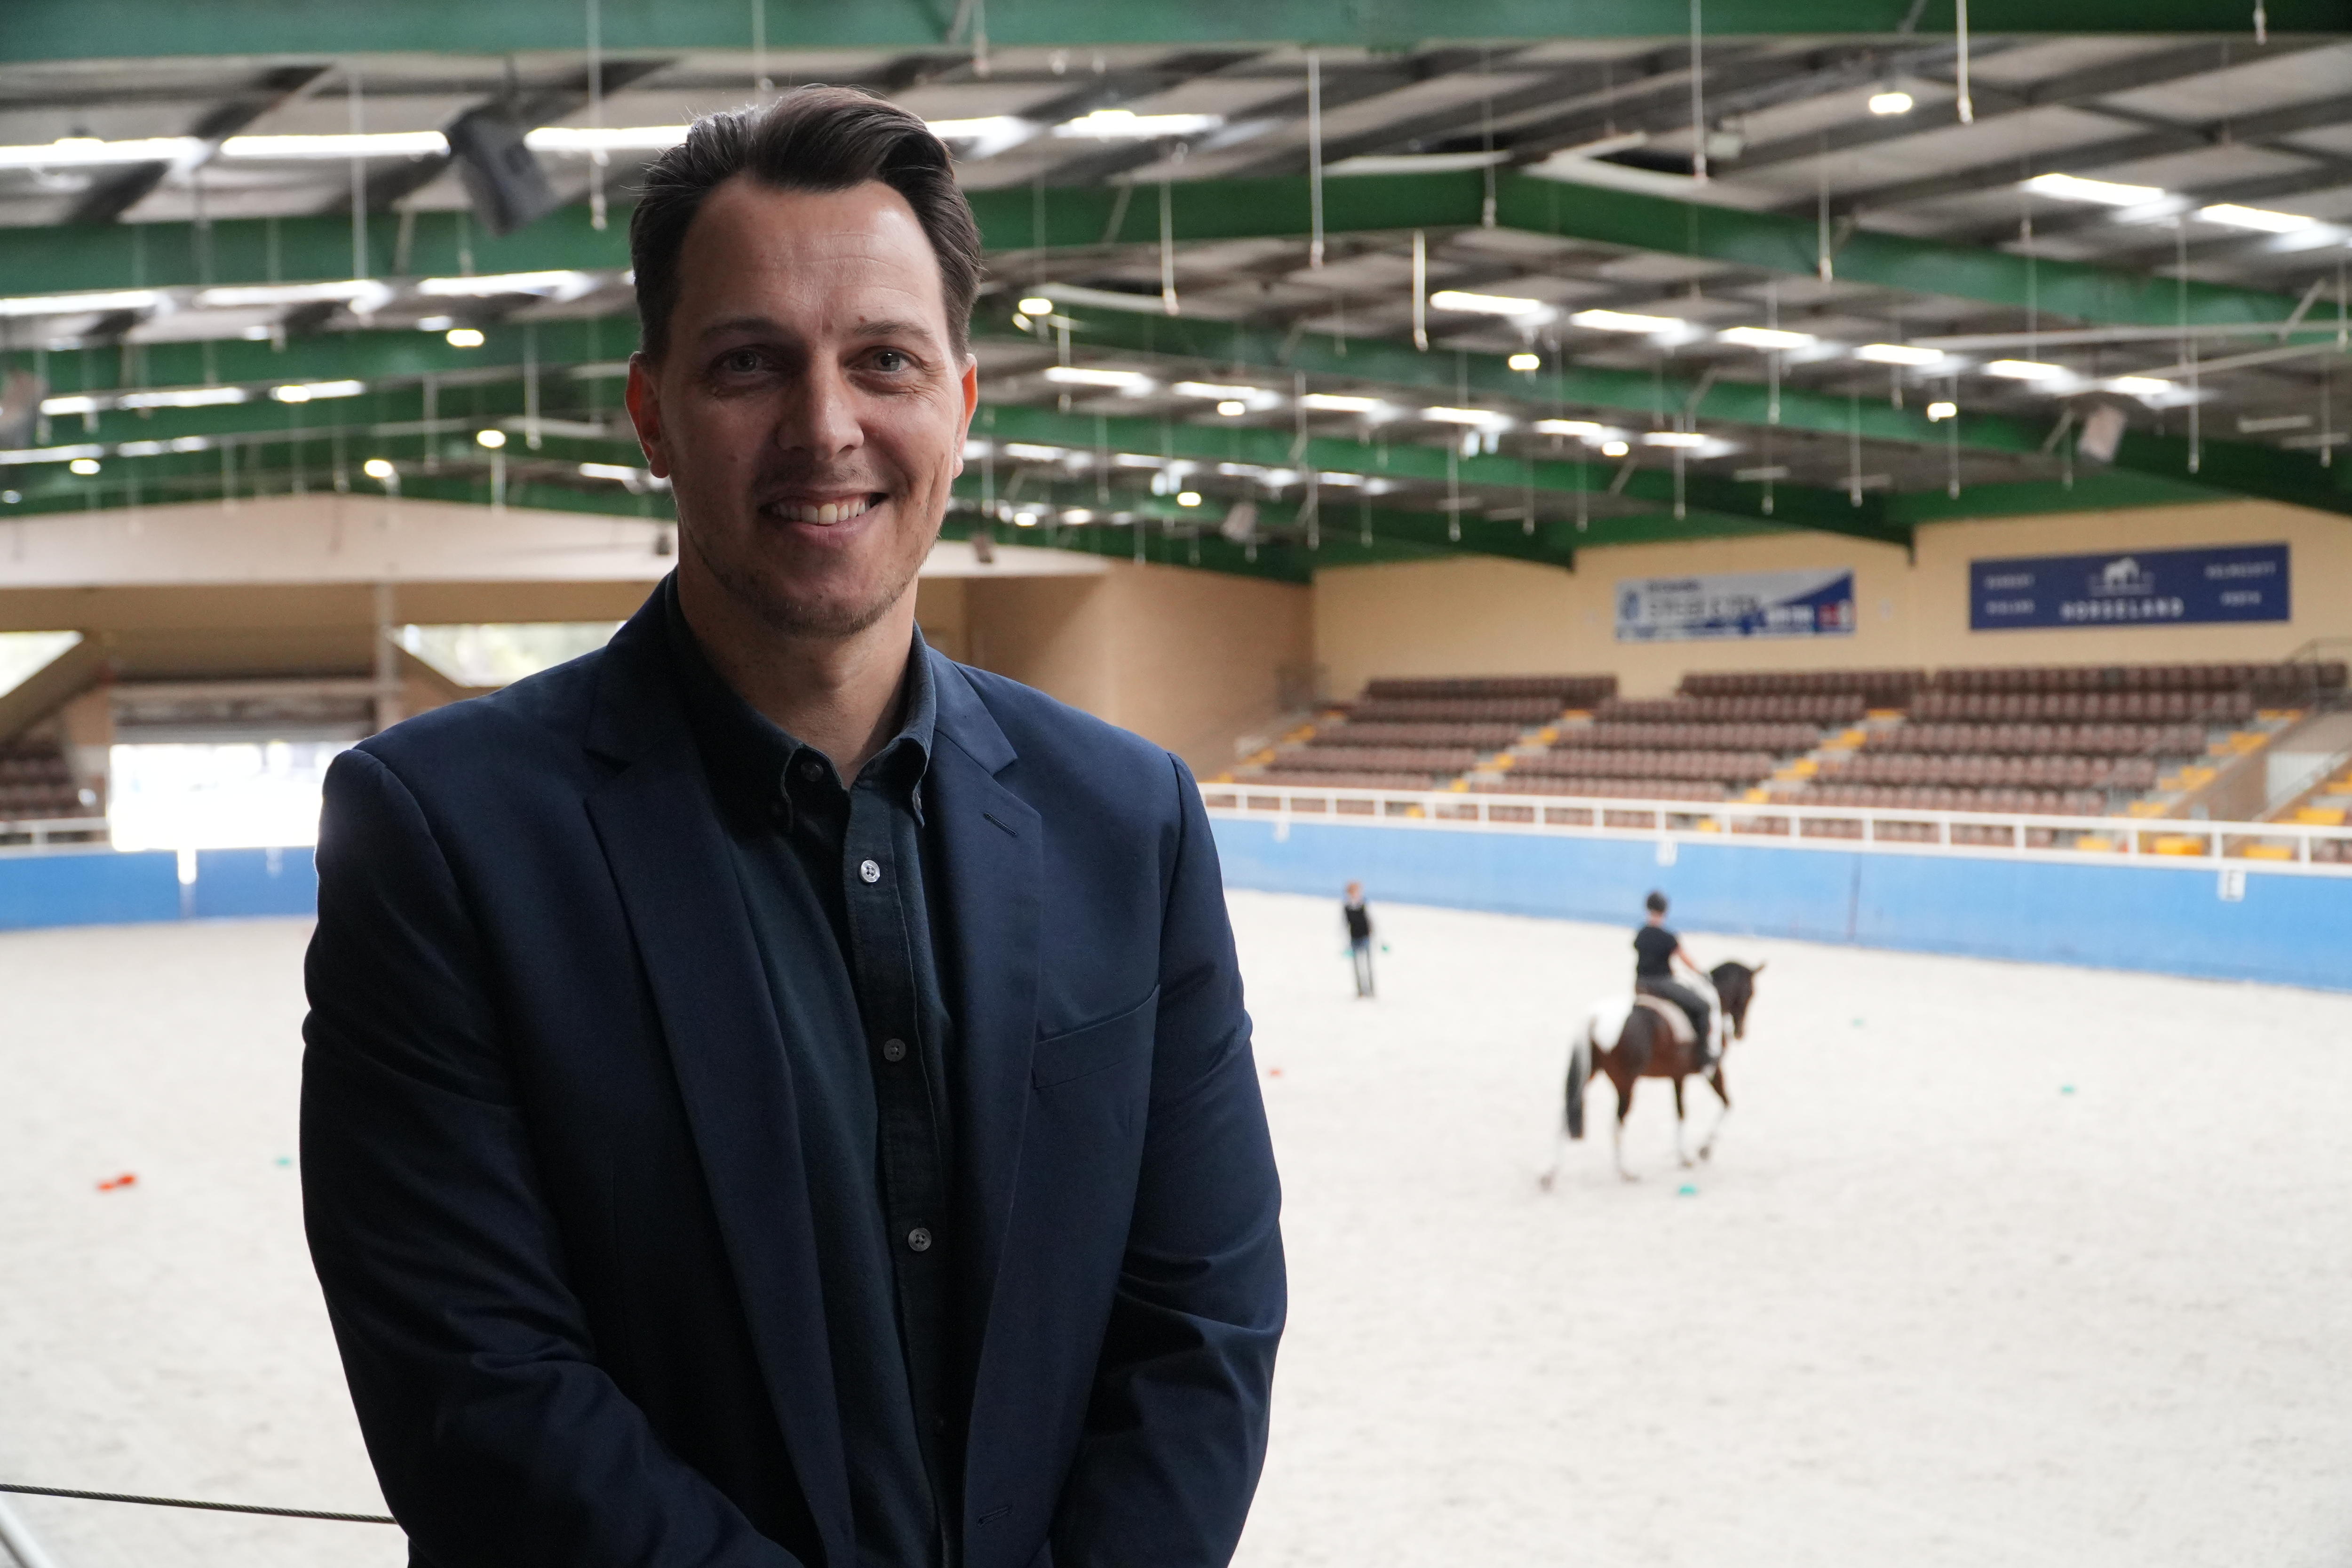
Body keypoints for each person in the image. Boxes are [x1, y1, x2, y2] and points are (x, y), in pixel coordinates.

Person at [300, 87, 1284, 1568]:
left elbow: (1199, 1328)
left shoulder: (1126, 820)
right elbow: (481, 1398)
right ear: (652, 414)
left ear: (959, 404)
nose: (824, 429)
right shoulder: (440, 837)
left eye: (882, 361)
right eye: (749, 364)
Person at [1633, 890, 1713, 1068]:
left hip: (1640, 984)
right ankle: (1704, 1054)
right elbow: (1686, 960)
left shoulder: (1641, 934)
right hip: (1661, 984)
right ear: (1665, 912)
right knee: (1703, 1007)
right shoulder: (1668, 938)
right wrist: (1702, 973)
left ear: (1648, 909)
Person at [1342, 880, 1374, 998]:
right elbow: (1345, 924)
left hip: (1365, 937)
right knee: (1357, 967)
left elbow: (1371, 921)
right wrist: (1345, 942)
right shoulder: (1347, 906)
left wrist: (1375, 935)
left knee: (1368, 966)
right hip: (1354, 938)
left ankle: (1371, 990)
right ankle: (1360, 991)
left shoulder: (1364, 904)